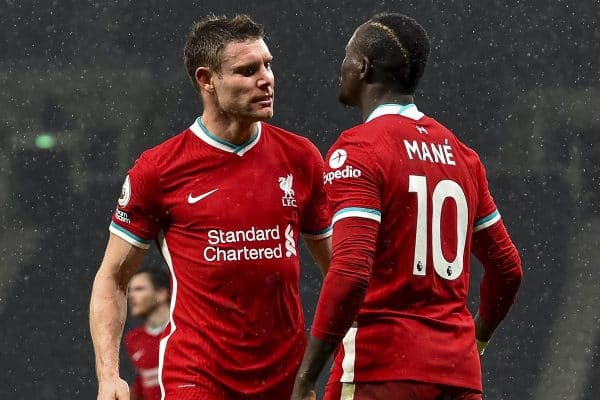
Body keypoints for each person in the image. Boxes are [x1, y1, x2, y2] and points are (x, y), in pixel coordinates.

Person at [90, 14, 332, 400]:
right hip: (198, 378)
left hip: (287, 379)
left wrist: (349, 346)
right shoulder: (159, 169)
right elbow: (112, 278)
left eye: (268, 65)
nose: (266, 78)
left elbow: (339, 271)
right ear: (207, 80)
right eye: (247, 70)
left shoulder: (301, 157)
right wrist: (108, 375)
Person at [291, 12, 523, 400]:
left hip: (382, 370)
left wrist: (305, 377)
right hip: (458, 376)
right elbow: (508, 270)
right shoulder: (462, 156)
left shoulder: (359, 149)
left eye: (347, 57)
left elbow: (350, 273)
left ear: (362, 67)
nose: (342, 67)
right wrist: (474, 342)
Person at [124, 266, 170, 400]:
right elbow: (143, 382)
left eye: (139, 289)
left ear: (161, 294)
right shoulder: (134, 339)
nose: (130, 296)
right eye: (129, 291)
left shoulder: (186, 330)